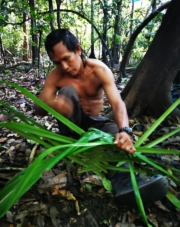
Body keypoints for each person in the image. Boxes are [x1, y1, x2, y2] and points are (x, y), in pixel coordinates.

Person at [34, 29, 168, 206]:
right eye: (57, 62)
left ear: (78, 50)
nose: (64, 67)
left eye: (67, 58)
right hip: (70, 131)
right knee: (67, 91)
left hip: (95, 124)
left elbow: (117, 103)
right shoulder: (55, 75)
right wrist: (50, 102)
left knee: (118, 136)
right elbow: (39, 110)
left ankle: (125, 182)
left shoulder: (99, 70)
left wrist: (124, 131)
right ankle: (76, 150)